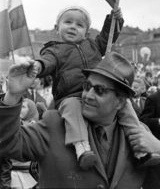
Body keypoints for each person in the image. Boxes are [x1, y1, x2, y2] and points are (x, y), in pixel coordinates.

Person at [0, 53, 149, 189]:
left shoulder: (141, 138)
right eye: (87, 86)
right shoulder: (55, 123)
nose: (88, 95)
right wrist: (13, 95)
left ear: (120, 101)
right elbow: (7, 143)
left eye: (100, 90)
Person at [34, 5, 124, 169]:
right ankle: (82, 147)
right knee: (72, 107)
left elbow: (107, 36)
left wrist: (114, 19)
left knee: (124, 105)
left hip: (97, 92)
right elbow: (47, 63)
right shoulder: (53, 50)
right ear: (56, 28)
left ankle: (143, 142)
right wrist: (37, 66)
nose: (73, 27)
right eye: (68, 22)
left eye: (79, 25)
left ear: (87, 33)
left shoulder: (94, 46)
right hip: (71, 96)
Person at [10, 98, 39, 189]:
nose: (19, 109)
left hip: (29, 176)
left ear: (31, 111)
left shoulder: (37, 128)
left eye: (23, 107)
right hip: (13, 175)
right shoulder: (12, 125)